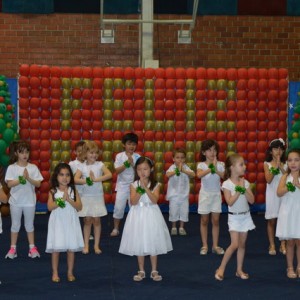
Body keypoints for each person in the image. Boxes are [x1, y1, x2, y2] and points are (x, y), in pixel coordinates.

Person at [119, 157, 172, 281]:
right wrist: (140, 189)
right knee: (139, 241)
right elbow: (133, 201)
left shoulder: (156, 184)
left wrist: (146, 188)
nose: (142, 172)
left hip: (152, 214)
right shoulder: (133, 185)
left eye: (145, 169)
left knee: (153, 240)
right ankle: (141, 270)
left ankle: (154, 270)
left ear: (151, 169)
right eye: (139, 169)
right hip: (138, 215)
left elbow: (154, 200)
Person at [215, 154, 255, 281]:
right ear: (232, 167)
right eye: (241, 164)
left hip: (245, 216)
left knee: (242, 244)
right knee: (235, 244)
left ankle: (239, 269)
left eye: (244, 164)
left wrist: (245, 189)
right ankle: (221, 268)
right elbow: (229, 202)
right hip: (234, 218)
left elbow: (252, 200)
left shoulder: (245, 182)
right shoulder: (227, 184)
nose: (244, 166)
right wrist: (239, 190)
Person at [4, 141, 43, 259]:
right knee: (15, 225)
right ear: (16, 153)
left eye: (27, 152)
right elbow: (9, 184)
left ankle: (32, 248)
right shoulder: (12, 168)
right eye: (21, 152)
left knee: (29, 225)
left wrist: (28, 178)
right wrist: (21, 179)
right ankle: (12, 249)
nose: (25, 155)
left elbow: (38, 184)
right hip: (15, 202)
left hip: (29, 202)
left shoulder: (33, 167)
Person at [46, 163, 84, 283]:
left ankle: (70, 272)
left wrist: (69, 199)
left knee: (71, 248)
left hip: (70, 221)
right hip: (58, 222)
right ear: (56, 176)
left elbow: (79, 207)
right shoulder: (53, 191)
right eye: (61, 174)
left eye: (67, 175)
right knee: (56, 249)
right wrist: (61, 200)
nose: (65, 177)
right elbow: (50, 207)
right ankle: (55, 272)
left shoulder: (73, 190)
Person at [75, 141, 112, 254]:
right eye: (91, 153)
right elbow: (75, 179)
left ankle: (96, 245)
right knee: (87, 220)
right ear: (85, 153)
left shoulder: (100, 165)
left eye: (96, 153)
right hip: (86, 196)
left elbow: (109, 174)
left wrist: (96, 179)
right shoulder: (81, 166)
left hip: (97, 197)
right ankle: (86, 245)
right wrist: (86, 180)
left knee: (96, 220)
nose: (94, 155)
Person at [197, 139, 225, 255]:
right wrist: (211, 168)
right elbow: (199, 175)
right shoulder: (201, 165)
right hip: (205, 195)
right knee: (204, 220)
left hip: (216, 195)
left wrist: (216, 168)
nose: (212, 153)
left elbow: (224, 175)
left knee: (216, 220)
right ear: (204, 153)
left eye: (214, 150)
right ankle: (204, 245)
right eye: (209, 150)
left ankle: (215, 245)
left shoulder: (221, 164)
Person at [276, 149, 300, 279]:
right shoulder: (285, 177)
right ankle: (290, 267)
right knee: (290, 241)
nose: (293, 163)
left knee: (299, 241)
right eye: (290, 160)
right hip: (289, 212)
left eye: (296, 160)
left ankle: (299, 266)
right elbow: (279, 193)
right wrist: (288, 187)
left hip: (299, 212)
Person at [110, 132, 140, 237]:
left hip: (134, 186)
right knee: (119, 207)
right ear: (124, 145)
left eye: (134, 144)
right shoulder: (119, 156)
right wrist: (126, 163)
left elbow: (140, 172)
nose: (131, 146)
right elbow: (117, 171)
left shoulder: (137, 156)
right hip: (122, 186)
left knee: (134, 207)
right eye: (129, 144)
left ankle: (134, 228)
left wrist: (133, 164)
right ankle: (116, 228)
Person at [264, 138, 287, 255]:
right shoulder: (267, 164)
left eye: (280, 149)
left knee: (283, 220)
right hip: (272, 195)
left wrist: (281, 166)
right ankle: (272, 244)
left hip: (283, 195)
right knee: (272, 220)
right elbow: (268, 179)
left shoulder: (287, 164)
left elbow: (288, 177)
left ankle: (283, 244)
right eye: (275, 148)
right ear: (270, 151)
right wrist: (276, 167)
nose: (278, 151)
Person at [166, 148, 195, 235]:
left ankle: (181, 227)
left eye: (182, 157)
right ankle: (174, 227)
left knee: (184, 211)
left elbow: (193, 175)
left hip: (184, 196)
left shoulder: (186, 167)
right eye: (177, 157)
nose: (180, 159)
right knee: (173, 211)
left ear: (185, 159)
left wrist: (184, 171)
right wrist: (177, 170)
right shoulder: (172, 167)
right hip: (174, 195)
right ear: (173, 159)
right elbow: (168, 174)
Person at [69, 141, 94, 241]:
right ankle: (74, 232)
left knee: (86, 213)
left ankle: (87, 233)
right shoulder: (72, 164)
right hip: (75, 191)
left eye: (83, 151)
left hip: (86, 192)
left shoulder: (89, 163)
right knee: (74, 213)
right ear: (75, 152)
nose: (81, 153)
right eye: (79, 151)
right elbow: (70, 178)